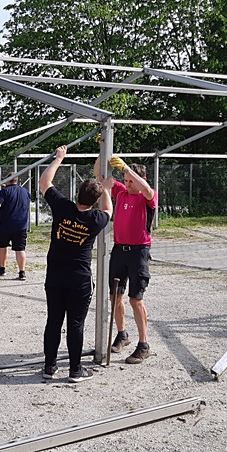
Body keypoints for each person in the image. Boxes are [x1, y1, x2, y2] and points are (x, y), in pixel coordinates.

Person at [39, 146, 113, 382]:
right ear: (95, 200)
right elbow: (108, 210)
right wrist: (105, 189)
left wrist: (58, 159)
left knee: (54, 321)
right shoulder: (95, 219)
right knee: (76, 323)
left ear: (77, 193)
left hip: (55, 275)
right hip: (79, 279)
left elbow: (44, 182)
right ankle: (75, 369)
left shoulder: (63, 207)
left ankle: (49, 366)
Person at [95, 154, 158, 365]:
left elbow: (147, 190)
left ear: (141, 180)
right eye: (126, 181)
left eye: (131, 181)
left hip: (139, 252)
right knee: (115, 296)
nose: (128, 184)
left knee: (135, 299)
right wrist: (102, 151)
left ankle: (143, 344)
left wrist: (126, 169)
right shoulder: (121, 193)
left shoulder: (147, 196)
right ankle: (122, 334)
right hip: (119, 250)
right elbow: (98, 174)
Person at [0, 173, 31, 280]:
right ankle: (22, 272)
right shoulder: (25, 192)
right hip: (21, 225)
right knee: (20, 249)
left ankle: (2, 268)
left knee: (3, 246)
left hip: (6, 224)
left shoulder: (4, 191)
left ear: (8, 180)